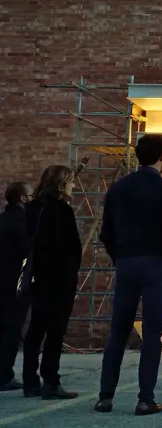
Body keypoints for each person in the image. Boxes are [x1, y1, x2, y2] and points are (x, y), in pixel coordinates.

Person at [95, 134, 162, 416]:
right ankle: (145, 399)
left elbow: (106, 232)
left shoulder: (118, 189)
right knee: (152, 333)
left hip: (127, 263)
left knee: (118, 332)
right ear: (161, 156)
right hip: (157, 265)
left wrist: (120, 257)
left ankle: (105, 397)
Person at [22, 165, 82, 399]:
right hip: (60, 277)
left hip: (39, 275)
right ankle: (51, 381)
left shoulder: (32, 209)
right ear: (61, 184)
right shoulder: (62, 211)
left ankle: (30, 381)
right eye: (70, 182)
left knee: (36, 328)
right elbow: (72, 248)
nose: (73, 185)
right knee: (56, 330)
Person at [0, 182, 33, 391]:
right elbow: (27, 252)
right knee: (12, 330)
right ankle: (4, 375)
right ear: (23, 198)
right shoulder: (23, 222)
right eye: (30, 195)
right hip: (15, 283)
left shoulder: (2, 219)